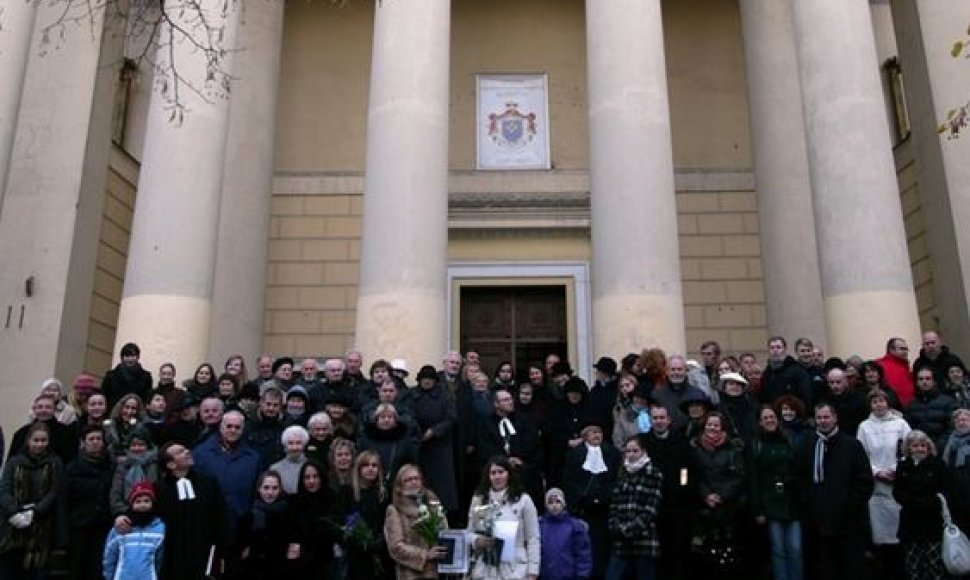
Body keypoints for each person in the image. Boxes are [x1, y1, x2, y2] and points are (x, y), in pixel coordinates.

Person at [795, 403, 873, 580]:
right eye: (819, 418)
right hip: (818, 521)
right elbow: (799, 477)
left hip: (848, 521)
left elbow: (864, 480)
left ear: (835, 418)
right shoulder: (807, 445)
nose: (823, 421)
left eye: (826, 417)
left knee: (851, 568)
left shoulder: (852, 445)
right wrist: (809, 503)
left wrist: (850, 503)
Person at [857, 389, 911, 580]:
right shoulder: (864, 427)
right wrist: (877, 472)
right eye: (874, 402)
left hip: (898, 483)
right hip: (877, 487)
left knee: (899, 537)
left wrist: (896, 470)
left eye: (881, 401)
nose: (878, 405)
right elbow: (861, 454)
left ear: (888, 403)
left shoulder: (900, 424)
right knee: (881, 539)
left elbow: (909, 448)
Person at [154, 441, 228, 579]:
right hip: (173, 555)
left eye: (186, 448)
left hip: (204, 552)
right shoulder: (159, 490)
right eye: (180, 452)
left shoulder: (208, 483)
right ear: (171, 464)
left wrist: (222, 549)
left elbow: (220, 516)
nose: (187, 452)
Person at [0, 423, 64, 580]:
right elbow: (4, 489)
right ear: (28, 440)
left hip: (40, 527)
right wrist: (14, 512)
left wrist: (34, 512)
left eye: (43, 440)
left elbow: (54, 491)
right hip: (12, 526)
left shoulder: (55, 463)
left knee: (36, 572)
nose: (39, 444)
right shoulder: (14, 462)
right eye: (36, 440)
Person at [689, 411, 747, 578]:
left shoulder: (733, 447)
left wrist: (722, 495)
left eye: (716, 425)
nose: (712, 428)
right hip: (704, 507)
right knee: (704, 554)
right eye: (709, 424)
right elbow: (694, 475)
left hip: (729, 505)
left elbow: (739, 476)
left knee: (730, 553)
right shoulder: (695, 447)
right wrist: (707, 495)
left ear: (722, 428)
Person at [749, 406, 802, 580]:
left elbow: (799, 470)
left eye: (772, 417)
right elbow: (753, 479)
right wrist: (758, 509)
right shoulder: (756, 444)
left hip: (792, 501)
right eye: (765, 418)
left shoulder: (790, 440)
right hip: (769, 502)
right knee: (778, 549)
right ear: (760, 422)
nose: (770, 420)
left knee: (795, 548)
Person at [562, 423, 621, 578]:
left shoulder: (612, 454)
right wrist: (582, 497)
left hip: (605, 509)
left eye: (599, 432)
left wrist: (605, 496)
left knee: (602, 549)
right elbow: (569, 480)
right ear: (585, 436)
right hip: (583, 509)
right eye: (592, 432)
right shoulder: (574, 455)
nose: (596, 435)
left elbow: (616, 478)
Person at [466, 457, 540, 579]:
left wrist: (533, 572)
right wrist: (477, 540)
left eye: (501, 472)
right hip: (486, 568)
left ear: (509, 474)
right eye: (493, 473)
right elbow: (469, 533)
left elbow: (533, 538)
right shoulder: (478, 500)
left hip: (515, 569)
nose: (497, 476)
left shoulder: (523, 500)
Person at [643, 405, 693, 580]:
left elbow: (686, 470)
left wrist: (682, 486)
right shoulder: (644, 442)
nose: (659, 421)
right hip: (650, 503)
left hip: (675, 503)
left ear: (669, 420)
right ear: (650, 420)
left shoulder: (681, 441)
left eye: (662, 418)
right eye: (655, 418)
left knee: (676, 548)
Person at [604, 434, 662, 580]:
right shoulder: (622, 473)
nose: (631, 455)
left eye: (635, 451)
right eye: (628, 451)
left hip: (644, 539)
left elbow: (651, 508)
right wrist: (616, 526)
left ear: (643, 451)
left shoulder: (653, 473)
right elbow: (614, 506)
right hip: (621, 540)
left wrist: (631, 528)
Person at [403, 364, 459, 515]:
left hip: (439, 446)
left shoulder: (444, 396)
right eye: (424, 379)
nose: (427, 382)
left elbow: (451, 418)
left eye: (430, 379)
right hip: (417, 446)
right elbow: (405, 414)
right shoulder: (410, 395)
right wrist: (417, 431)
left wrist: (435, 431)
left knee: (440, 486)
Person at [193, 410, 262, 532]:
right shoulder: (200, 454)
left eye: (237, 427)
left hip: (239, 525)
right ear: (221, 427)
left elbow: (255, 492)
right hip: (207, 523)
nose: (233, 430)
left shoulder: (253, 458)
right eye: (229, 426)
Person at [893, 430, 948, 580]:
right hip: (910, 523)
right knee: (913, 565)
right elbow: (897, 492)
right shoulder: (903, 466)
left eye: (923, 445)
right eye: (915, 446)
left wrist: (928, 503)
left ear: (929, 447)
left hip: (932, 522)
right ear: (909, 448)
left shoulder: (938, 465)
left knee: (934, 564)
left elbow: (945, 490)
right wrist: (912, 502)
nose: (919, 449)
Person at [65, 424, 114, 580]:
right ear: (84, 442)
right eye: (91, 439)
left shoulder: (111, 466)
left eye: (98, 438)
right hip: (79, 527)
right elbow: (64, 500)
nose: (95, 442)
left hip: (103, 526)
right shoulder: (72, 468)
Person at [384, 464, 449, 579]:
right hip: (411, 574)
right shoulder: (394, 510)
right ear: (399, 486)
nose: (414, 482)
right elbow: (395, 547)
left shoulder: (433, 505)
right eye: (408, 480)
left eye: (416, 478)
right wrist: (425, 555)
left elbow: (445, 532)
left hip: (436, 572)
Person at [235, 470, 295, 579]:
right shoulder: (248, 517)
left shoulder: (289, 515)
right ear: (259, 489)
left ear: (280, 490)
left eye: (274, 488)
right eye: (266, 488)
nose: (270, 492)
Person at [102, 481, 165, 580]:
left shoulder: (159, 529)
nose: (142, 505)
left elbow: (160, 559)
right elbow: (110, 556)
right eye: (138, 501)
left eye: (146, 501)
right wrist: (109, 576)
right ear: (132, 504)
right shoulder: (121, 527)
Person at [347, 451, 392, 580]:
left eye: (374, 465)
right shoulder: (348, 492)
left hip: (382, 551)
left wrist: (381, 539)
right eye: (366, 465)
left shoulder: (384, 494)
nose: (370, 468)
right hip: (357, 555)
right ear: (359, 468)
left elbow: (389, 521)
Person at [290, 460, 337, 580]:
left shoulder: (332, 499)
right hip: (302, 564)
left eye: (315, 476)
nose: (311, 481)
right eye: (307, 477)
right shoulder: (294, 502)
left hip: (328, 562)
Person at [357, 403, 420, 491]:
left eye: (390, 417)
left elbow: (411, 462)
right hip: (370, 485)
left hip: (398, 485)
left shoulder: (404, 439)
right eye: (382, 417)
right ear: (376, 419)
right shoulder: (366, 439)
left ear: (395, 420)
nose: (386, 420)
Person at [539, 487, 592, 580]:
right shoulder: (541, 526)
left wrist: (582, 575)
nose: (554, 505)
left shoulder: (575, 526)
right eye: (550, 502)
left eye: (558, 502)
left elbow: (583, 554)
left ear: (564, 504)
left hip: (569, 576)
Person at [906, 367, 958, 448]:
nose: (924, 381)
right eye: (921, 379)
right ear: (917, 382)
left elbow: (952, 428)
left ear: (934, 381)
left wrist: (938, 445)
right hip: (918, 450)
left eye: (928, 379)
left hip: (941, 449)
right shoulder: (911, 404)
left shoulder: (948, 402)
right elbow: (908, 429)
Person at [760, 337, 812, 408]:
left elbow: (805, 397)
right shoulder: (767, 373)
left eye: (778, 347)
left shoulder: (797, 371)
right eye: (772, 348)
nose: (775, 350)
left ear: (784, 350)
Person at [101, 342, 152, 411]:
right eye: (127, 356)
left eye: (133, 356)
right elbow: (104, 396)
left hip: (135, 416)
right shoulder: (111, 376)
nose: (130, 359)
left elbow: (146, 400)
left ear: (138, 357)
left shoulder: (146, 377)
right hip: (113, 414)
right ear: (122, 358)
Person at [941, 408, 970, 531]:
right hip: (955, 493)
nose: (961, 423)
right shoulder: (948, 442)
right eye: (958, 420)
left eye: (965, 420)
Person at [271, 425, 309, 495]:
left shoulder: (311, 466)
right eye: (290, 443)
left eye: (298, 443)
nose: (294, 447)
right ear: (285, 446)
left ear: (304, 445)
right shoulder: (275, 469)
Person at [878, 338, 916, 406]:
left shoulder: (905, 366)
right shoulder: (880, 365)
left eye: (906, 349)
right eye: (902, 349)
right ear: (891, 350)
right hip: (893, 408)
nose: (905, 352)